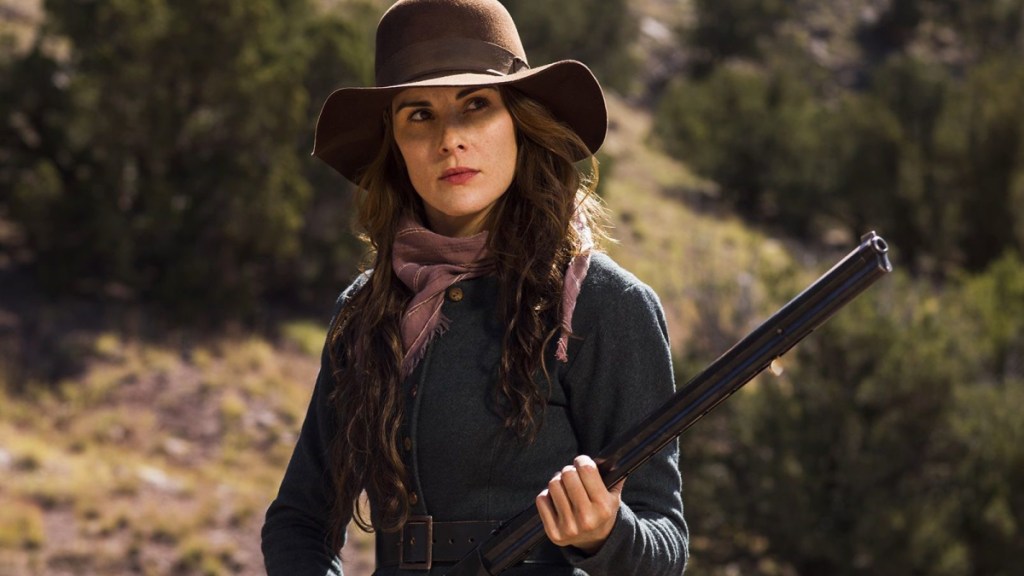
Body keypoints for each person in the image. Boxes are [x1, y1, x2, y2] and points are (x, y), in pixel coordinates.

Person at [260, 1, 689, 575]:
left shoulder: (606, 305)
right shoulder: (362, 313)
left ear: (520, 122)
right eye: (419, 114)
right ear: (395, 141)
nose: (449, 140)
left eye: (476, 106)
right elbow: (299, 523)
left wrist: (606, 533)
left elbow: (667, 548)